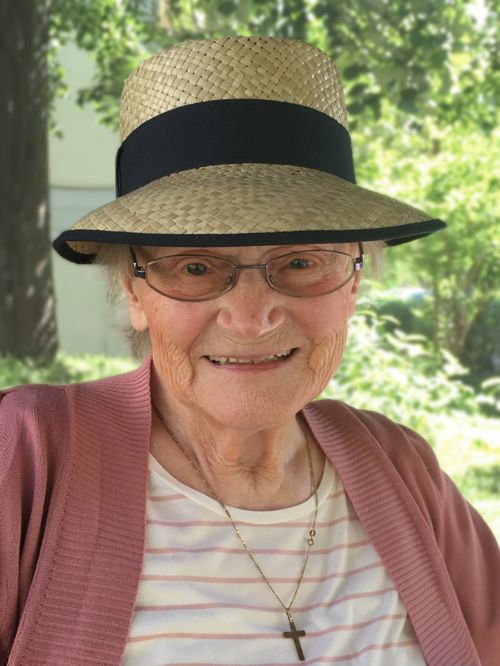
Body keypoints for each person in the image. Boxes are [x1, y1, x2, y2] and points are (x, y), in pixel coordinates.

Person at [1, 36, 498, 666]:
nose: (252, 318)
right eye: (196, 267)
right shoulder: (27, 451)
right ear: (133, 291)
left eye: (300, 262)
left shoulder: (401, 466)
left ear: (353, 282)